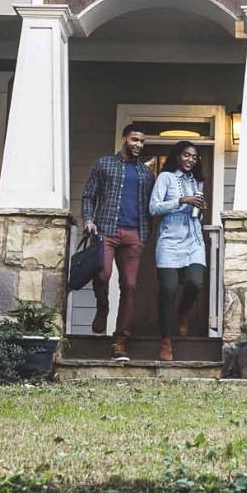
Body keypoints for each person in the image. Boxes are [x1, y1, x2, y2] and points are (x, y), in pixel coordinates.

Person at [81, 123, 155, 362]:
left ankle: (120, 341)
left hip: (135, 234)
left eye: (142, 142)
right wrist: (88, 219)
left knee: (130, 286)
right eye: (134, 140)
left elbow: (152, 205)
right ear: (124, 139)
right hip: (106, 230)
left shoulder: (146, 174)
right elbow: (89, 194)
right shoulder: (104, 164)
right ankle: (102, 306)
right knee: (102, 274)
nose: (138, 145)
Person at [148, 140, 208, 362]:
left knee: (194, 283)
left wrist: (199, 208)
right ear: (177, 156)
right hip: (169, 243)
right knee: (168, 291)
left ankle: (183, 312)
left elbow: (195, 211)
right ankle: (166, 341)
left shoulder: (196, 182)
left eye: (194, 157)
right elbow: (154, 207)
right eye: (186, 155)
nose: (190, 160)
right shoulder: (166, 178)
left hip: (193, 241)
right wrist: (182, 200)